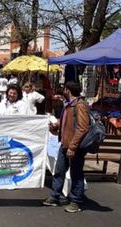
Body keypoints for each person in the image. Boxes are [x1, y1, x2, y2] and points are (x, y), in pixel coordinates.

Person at [43, 81, 90, 213]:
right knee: (59, 171)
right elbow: (65, 122)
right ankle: (54, 197)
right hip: (64, 144)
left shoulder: (80, 105)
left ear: (67, 90)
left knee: (76, 174)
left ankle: (75, 201)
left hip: (75, 147)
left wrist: (73, 147)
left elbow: (82, 128)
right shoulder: (69, 105)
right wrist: (56, 126)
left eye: (64, 88)